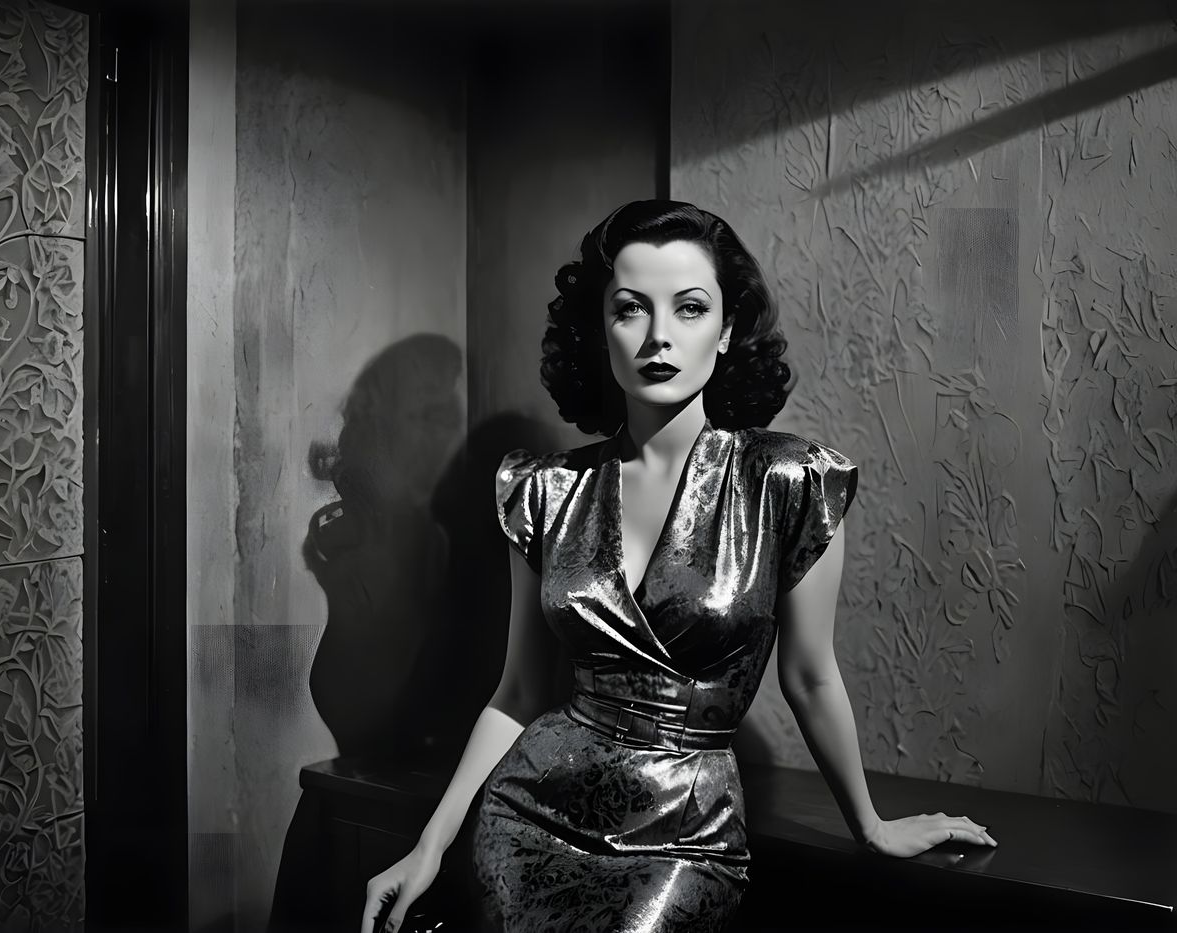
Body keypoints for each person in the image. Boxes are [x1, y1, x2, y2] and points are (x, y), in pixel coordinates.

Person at [360, 200, 996, 933]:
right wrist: (430, 845)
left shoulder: (788, 482)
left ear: (725, 331)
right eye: (631, 308)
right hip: (530, 812)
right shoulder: (546, 489)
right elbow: (518, 692)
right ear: (601, 330)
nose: (658, 335)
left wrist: (871, 826)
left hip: (683, 830)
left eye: (690, 308)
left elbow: (811, 677)